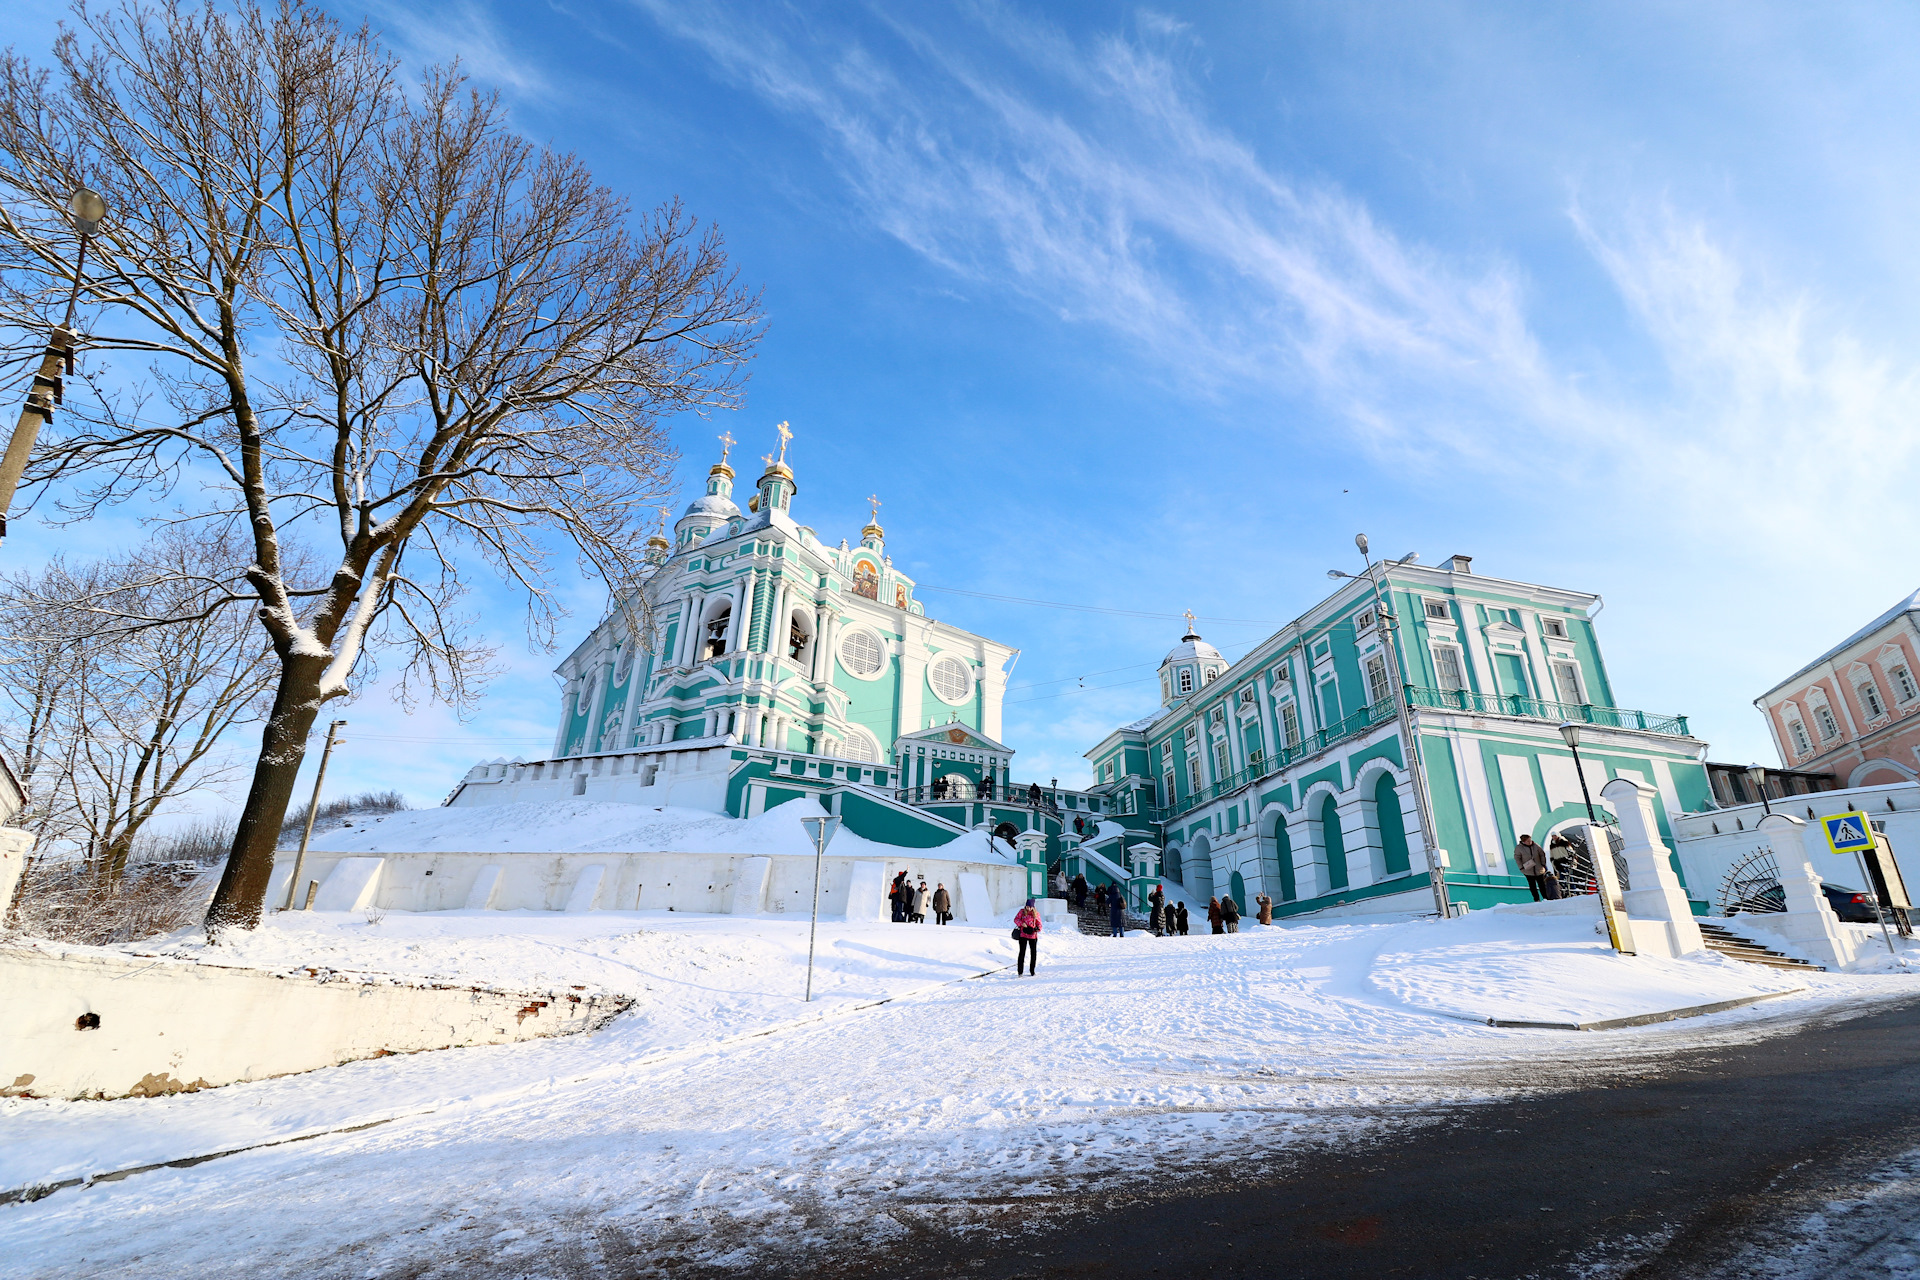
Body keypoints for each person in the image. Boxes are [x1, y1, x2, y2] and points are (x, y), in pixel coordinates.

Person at [1514, 834, 1559, 901]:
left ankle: (1545, 898)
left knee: (1542, 885)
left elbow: (1542, 854)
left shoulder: (1536, 846)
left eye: (1530, 840)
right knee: (1532, 886)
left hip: (1539, 869)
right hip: (1528, 870)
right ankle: (1536, 899)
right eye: (1528, 841)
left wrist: (1543, 863)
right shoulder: (1519, 848)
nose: (1530, 842)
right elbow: (1517, 858)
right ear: (1523, 841)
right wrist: (1521, 867)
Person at [1014, 898, 1042, 976]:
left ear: (1033, 907)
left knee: (1033, 953)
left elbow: (1039, 925)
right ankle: (1020, 971)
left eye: (1030, 907)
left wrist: (1036, 928)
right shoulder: (1022, 912)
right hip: (1023, 935)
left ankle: (1032, 970)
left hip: (1033, 935)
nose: (1028, 908)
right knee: (1022, 952)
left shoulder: (1036, 914)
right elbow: (1016, 919)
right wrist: (1021, 924)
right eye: (1027, 906)